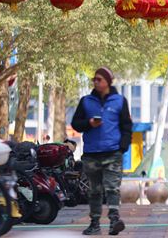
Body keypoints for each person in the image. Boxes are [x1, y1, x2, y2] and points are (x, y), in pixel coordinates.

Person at [71, 68, 133, 236]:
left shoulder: (120, 101)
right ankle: (95, 224)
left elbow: (127, 127)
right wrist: (88, 123)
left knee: (113, 188)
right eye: (94, 79)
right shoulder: (86, 101)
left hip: (113, 153)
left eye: (99, 79)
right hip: (91, 153)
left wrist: (122, 148)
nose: (96, 82)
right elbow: (75, 123)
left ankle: (114, 220)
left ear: (108, 81)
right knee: (94, 191)